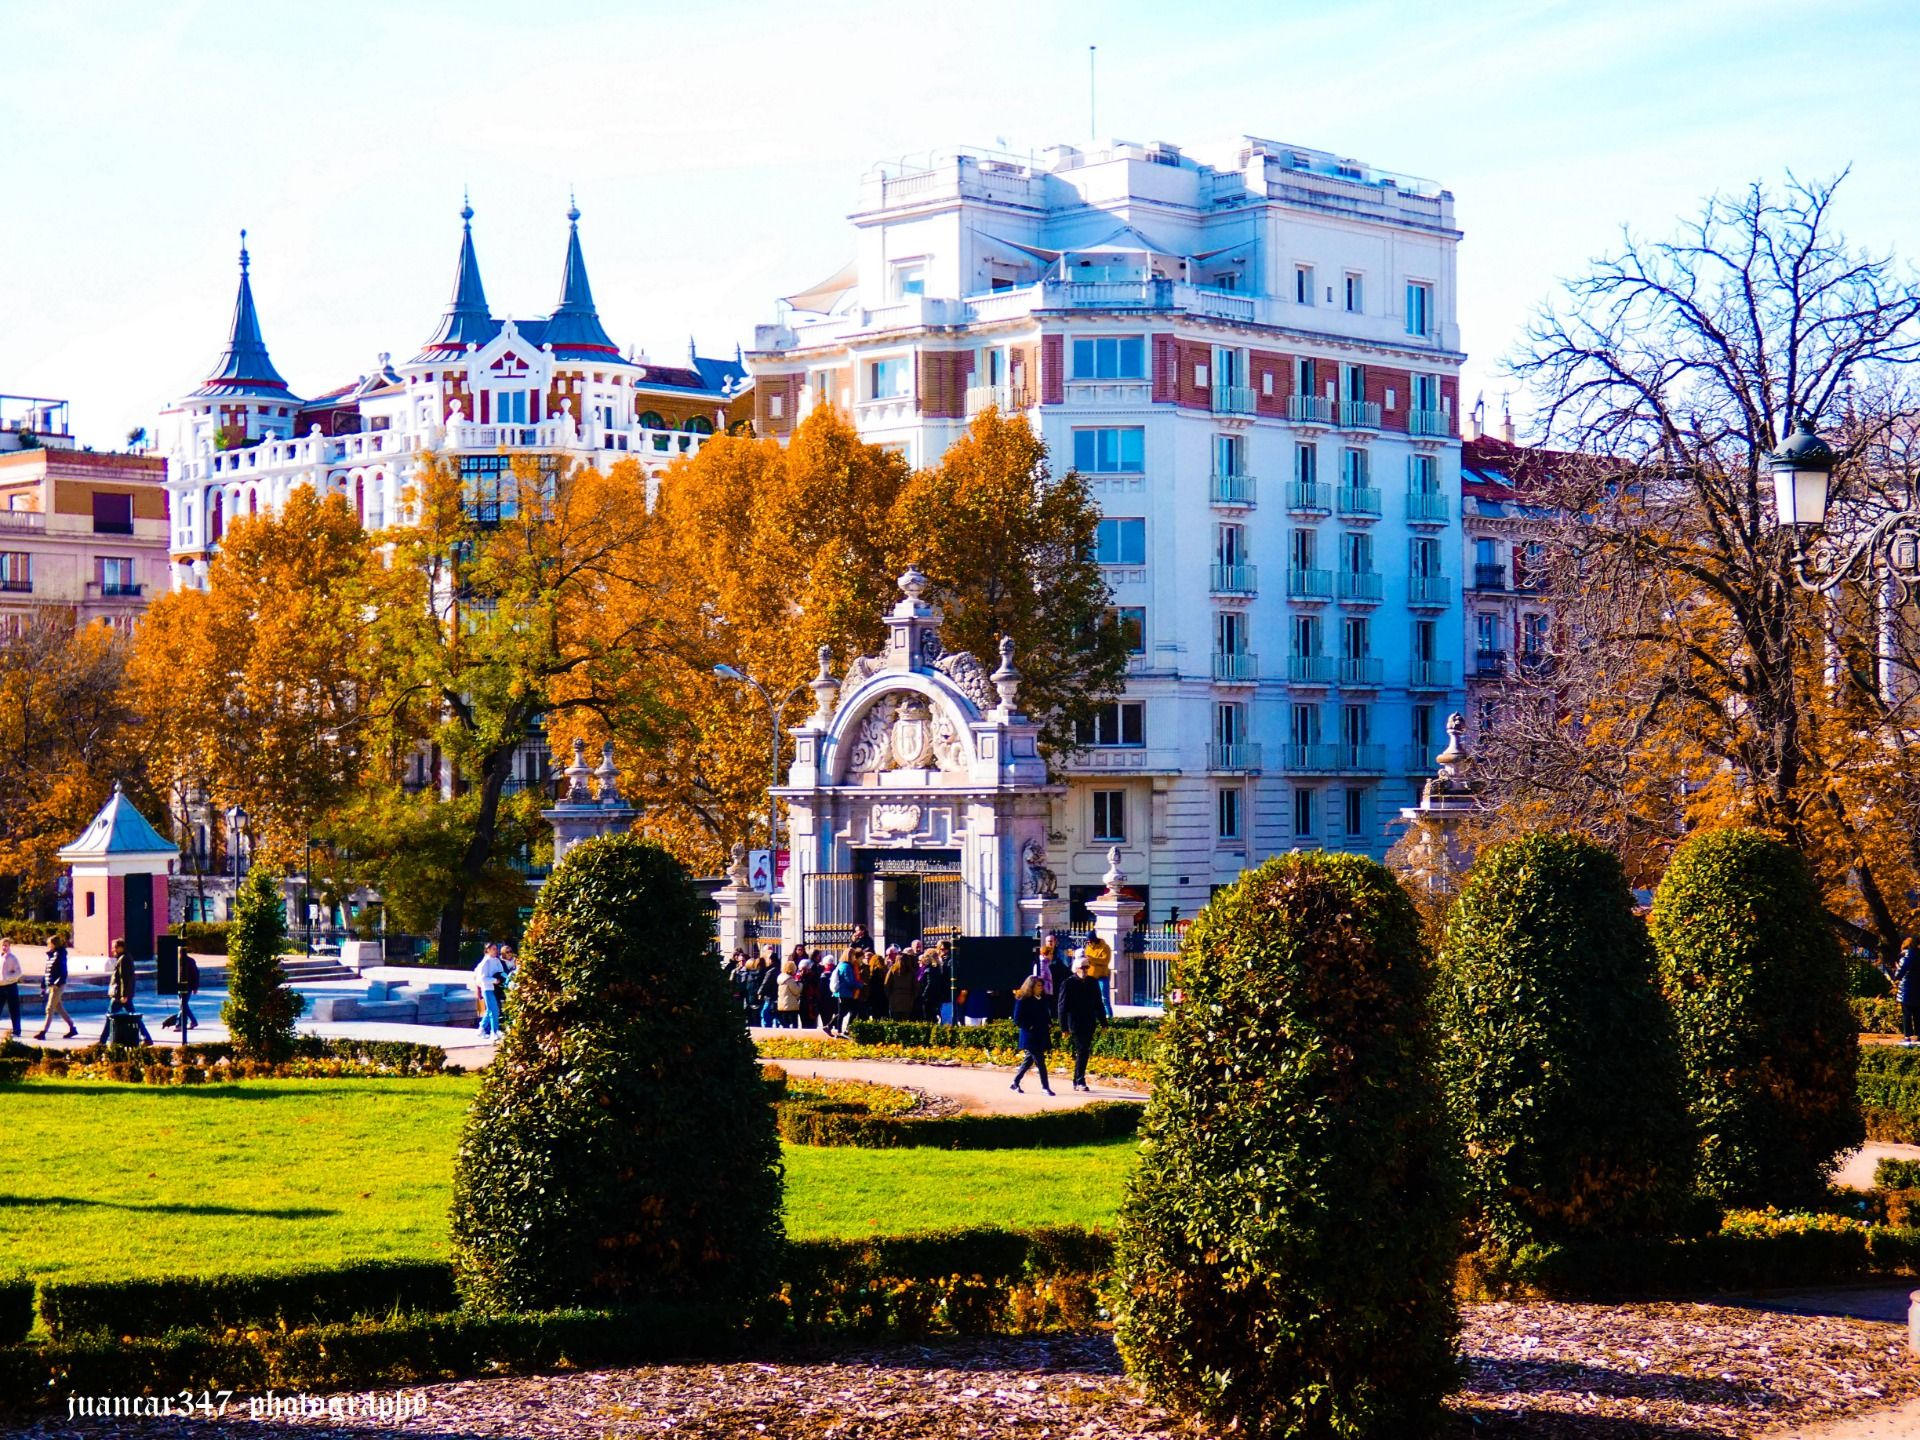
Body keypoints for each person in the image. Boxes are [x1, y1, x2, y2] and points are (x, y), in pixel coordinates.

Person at [1058, 956, 1105, 1092]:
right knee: (1082, 1050)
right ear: (1075, 969)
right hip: (1075, 1022)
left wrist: (1103, 1022)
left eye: (1086, 967)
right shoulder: (1068, 983)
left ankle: (1077, 1079)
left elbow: (1098, 1003)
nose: (1084, 970)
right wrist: (1063, 1027)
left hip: (1089, 1021)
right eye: (1082, 967)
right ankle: (1080, 1080)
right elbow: (1062, 1006)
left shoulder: (1092, 982)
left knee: (1084, 1051)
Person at [98, 938, 154, 1045]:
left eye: (114, 947)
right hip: (123, 994)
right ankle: (146, 1037)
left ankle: (102, 1041)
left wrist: (124, 995)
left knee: (110, 1016)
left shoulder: (123, 959)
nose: (112, 950)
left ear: (120, 948)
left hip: (119, 995)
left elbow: (125, 979)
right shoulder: (124, 958)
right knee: (134, 1016)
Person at [1009, 975, 1055, 1096]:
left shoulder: (1043, 998)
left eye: (1041, 986)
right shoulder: (1022, 999)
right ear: (1031, 986)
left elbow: (1045, 1013)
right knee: (1040, 1061)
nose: (1041, 988)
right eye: (1038, 986)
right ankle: (1045, 1087)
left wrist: (1049, 1023)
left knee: (1028, 1061)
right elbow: (1017, 1019)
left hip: (1041, 1033)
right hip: (1030, 1036)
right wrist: (1030, 1026)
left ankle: (1015, 1082)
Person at [33, 930, 77, 1041]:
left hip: (57, 986)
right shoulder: (51, 955)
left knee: (49, 1008)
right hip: (51, 985)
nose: (48, 946)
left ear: (54, 944)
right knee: (59, 1008)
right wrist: (43, 985)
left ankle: (43, 1032)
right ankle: (72, 1028)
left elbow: (63, 971)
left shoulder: (60, 955)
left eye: (49, 944)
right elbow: (47, 972)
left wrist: (57, 983)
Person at [473, 943, 507, 1038]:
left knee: (490, 1010)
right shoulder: (485, 962)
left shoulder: (496, 961)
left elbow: (501, 972)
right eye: (493, 949)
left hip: (495, 989)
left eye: (496, 949)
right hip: (487, 989)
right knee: (494, 1010)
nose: (495, 951)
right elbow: (482, 978)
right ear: (487, 950)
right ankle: (494, 1031)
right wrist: (494, 980)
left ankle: (481, 1029)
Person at [1082, 933, 1115, 1018]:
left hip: (1102, 977)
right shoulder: (1088, 948)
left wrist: (1092, 959)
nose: (1088, 944)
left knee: (1104, 998)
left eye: (1090, 942)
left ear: (1094, 940)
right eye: (1087, 942)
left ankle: (1109, 1016)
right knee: (1090, 998)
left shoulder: (1105, 947)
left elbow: (1105, 961)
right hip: (1090, 977)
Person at [918, 947, 952, 1025]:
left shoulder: (930, 969)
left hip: (929, 998)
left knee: (929, 1018)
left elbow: (930, 984)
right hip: (936, 997)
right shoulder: (938, 968)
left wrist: (923, 995)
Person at [885, 947, 918, 1020]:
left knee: (894, 1021)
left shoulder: (893, 970)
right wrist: (912, 997)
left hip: (894, 999)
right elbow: (915, 986)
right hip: (908, 1000)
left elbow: (887, 984)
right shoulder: (911, 972)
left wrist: (890, 996)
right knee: (906, 1020)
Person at [1898, 938, 1920, 1047]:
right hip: (1918, 989)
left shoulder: (1906, 958)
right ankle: (1918, 1035)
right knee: (1917, 1013)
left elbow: (1900, 973)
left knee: (1907, 1013)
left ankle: (1907, 1036)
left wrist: (1896, 973)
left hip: (1907, 989)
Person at [0, 938, 21, 1038]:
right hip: (0, 987)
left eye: (6, 945)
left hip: (11, 986)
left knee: (14, 1009)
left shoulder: (13, 958)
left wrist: (8, 978)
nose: (4, 947)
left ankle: (17, 1030)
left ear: (9, 946)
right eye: (3, 945)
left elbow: (19, 972)